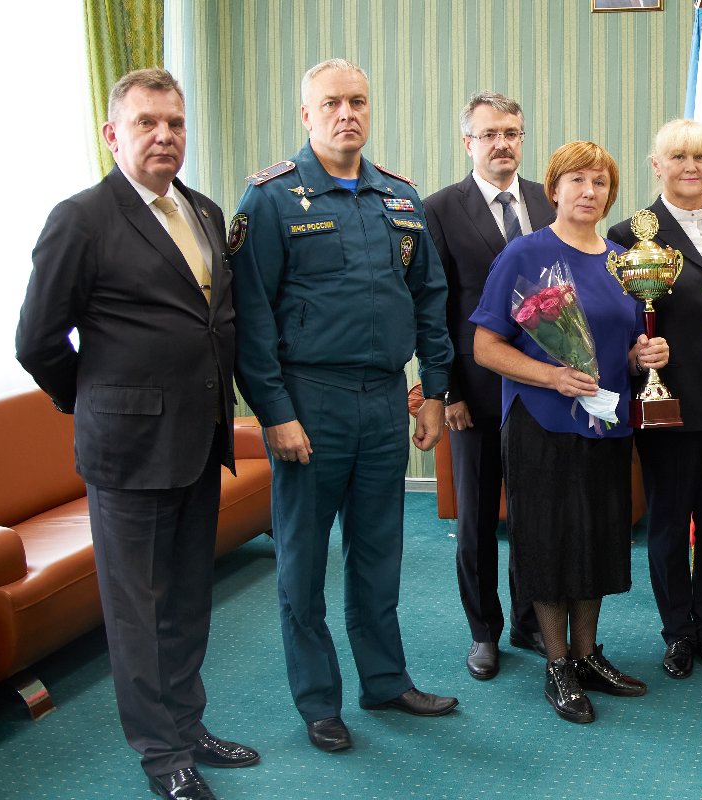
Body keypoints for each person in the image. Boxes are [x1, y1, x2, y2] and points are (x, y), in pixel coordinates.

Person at [15, 67, 257, 800]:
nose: (164, 136)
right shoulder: (81, 218)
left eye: (175, 123)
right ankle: (162, 757)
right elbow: (37, 340)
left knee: (187, 601)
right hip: (128, 454)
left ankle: (190, 726)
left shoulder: (206, 212)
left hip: (199, 443)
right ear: (112, 133)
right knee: (139, 612)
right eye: (147, 122)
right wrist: (94, 401)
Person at [230, 58, 457, 754]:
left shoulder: (399, 198)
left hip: (386, 400)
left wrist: (435, 391)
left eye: (357, 100)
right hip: (309, 402)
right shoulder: (269, 199)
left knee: (380, 551)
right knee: (302, 561)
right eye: (331, 103)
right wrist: (274, 412)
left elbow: (430, 299)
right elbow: (252, 318)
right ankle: (319, 701)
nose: (346, 113)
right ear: (308, 115)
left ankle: (385, 680)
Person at [472, 140, 670, 723]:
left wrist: (644, 355)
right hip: (541, 423)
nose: (589, 192)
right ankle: (557, 665)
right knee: (549, 542)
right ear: (553, 189)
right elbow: (486, 346)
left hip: (606, 423)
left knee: (600, 540)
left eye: (601, 182)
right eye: (577, 181)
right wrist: (550, 376)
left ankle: (587, 656)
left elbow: (625, 348)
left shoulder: (620, 261)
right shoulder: (524, 254)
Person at [607, 119, 702, 680]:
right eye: (678, 157)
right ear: (656, 165)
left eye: (700, 156)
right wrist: (632, 358)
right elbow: (618, 321)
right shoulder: (629, 234)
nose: (691, 166)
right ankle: (677, 632)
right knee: (670, 524)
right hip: (667, 404)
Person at [424, 91, 552, 679]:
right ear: (467, 142)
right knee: (476, 518)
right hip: (472, 394)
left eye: (512, 132)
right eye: (489, 134)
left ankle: (531, 617)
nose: (503, 143)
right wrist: (445, 390)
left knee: (535, 512)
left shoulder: (546, 200)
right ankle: (484, 631)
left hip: (542, 388)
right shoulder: (440, 209)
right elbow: (434, 307)